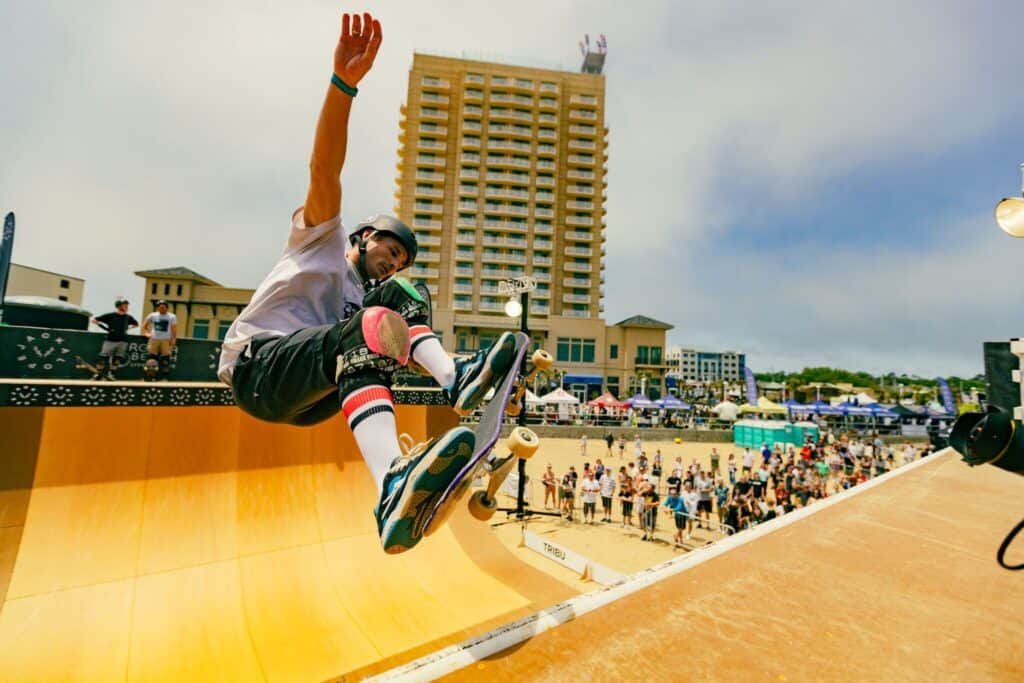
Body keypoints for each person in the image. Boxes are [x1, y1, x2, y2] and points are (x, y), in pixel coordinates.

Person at [216, 13, 516, 554]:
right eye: (389, 251)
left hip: (315, 395)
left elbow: (389, 308)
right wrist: (343, 85)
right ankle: (390, 486)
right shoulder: (322, 241)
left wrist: (401, 307)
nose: (392, 263)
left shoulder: (380, 290)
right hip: (259, 368)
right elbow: (323, 169)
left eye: (399, 258)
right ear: (363, 236)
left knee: (399, 306)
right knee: (372, 326)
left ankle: (457, 380)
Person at [90, 297, 139, 380]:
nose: (127, 307)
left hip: (123, 341)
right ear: (119, 306)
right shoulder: (110, 315)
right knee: (103, 358)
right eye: (125, 305)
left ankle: (111, 374)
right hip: (110, 340)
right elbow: (94, 320)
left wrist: (128, 328)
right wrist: (105, 328)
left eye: (127, 306)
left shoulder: (128, 317)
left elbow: (136, 324)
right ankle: (98, 374)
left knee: (117, 359)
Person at [142, 300, 178, 381]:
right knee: (151, 359)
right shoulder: (152, 315)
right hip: (154, 339)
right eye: (159, 307)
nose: (161, 309)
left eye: (163, 307)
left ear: (167, 308)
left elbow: (174, 329)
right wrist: (146, 333)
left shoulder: (172, 316)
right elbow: (144, 325)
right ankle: (149, 376)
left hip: (166, 339)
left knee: (165, 359)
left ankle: (164, 377)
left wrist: (174, 339)